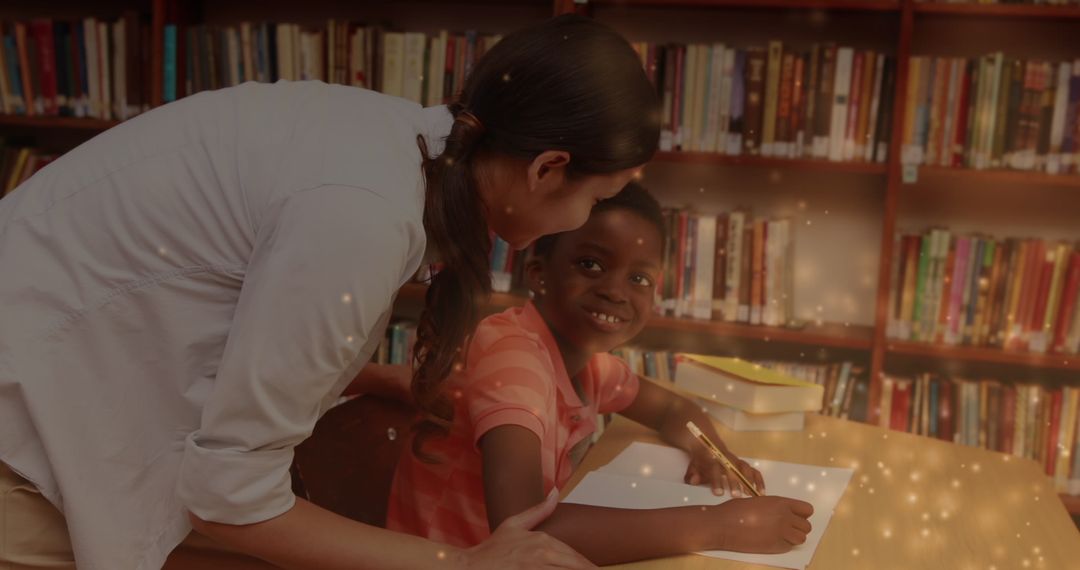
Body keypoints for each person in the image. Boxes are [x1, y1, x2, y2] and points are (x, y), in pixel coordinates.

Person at [0, 14, 658, 570]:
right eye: (596, 200)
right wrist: (461, 562)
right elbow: (229, 500)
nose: (582, 219)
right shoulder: (364, 218)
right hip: (23, 436)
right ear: (548, 169)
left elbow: (225, 311)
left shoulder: (392, 144)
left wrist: (373, 378)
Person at [387, 182, 815, 565]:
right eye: (591, 265)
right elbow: (522, 530)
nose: (615, 290)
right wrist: (720, 525)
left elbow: (670, 408)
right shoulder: (514, 358)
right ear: (538, 274)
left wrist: (712, 452)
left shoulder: (587, 363)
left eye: (639, 278)